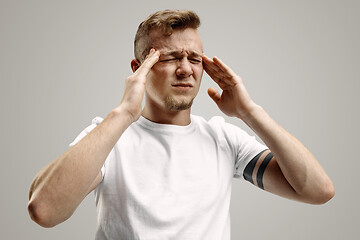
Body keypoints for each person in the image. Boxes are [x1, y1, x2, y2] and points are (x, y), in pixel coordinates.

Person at [28, 9, 334, 239]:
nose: (186, 69)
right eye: (171, 57)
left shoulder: (223, 138)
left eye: (195, 59)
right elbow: (44, 210)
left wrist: (249, 112)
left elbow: (318, 190)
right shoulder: (109, 137)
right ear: (139, 69)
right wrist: (122, 114)